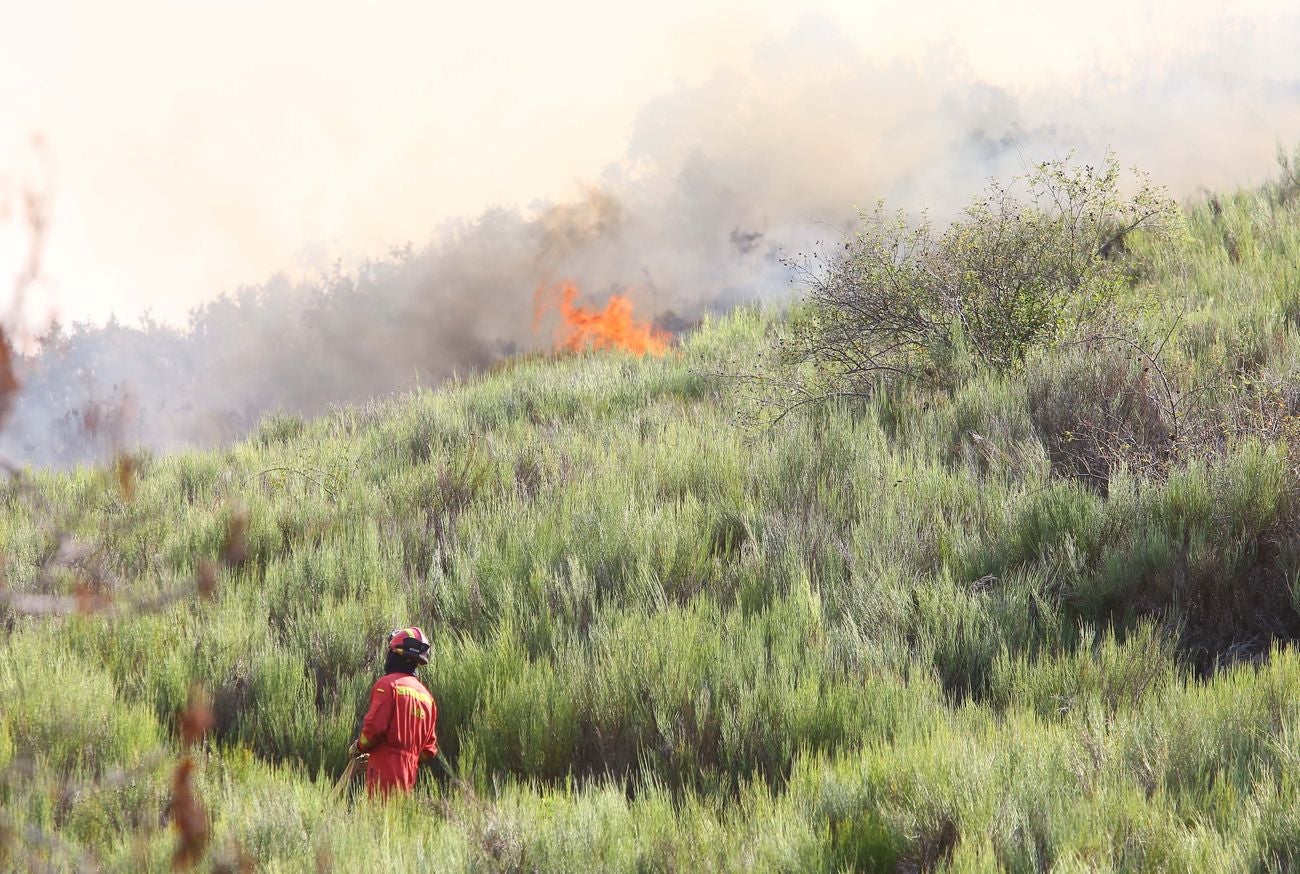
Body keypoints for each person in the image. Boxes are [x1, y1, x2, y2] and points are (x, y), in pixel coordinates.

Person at [349, 626, 439, 797]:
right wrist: (407, 756)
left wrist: (360, 747)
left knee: (377, 819)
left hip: (383, 770)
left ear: (395, 654)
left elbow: (373, 729)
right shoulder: (427, 698)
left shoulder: (387, 685)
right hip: (408, 776)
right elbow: (429, 750)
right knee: (397, 820)